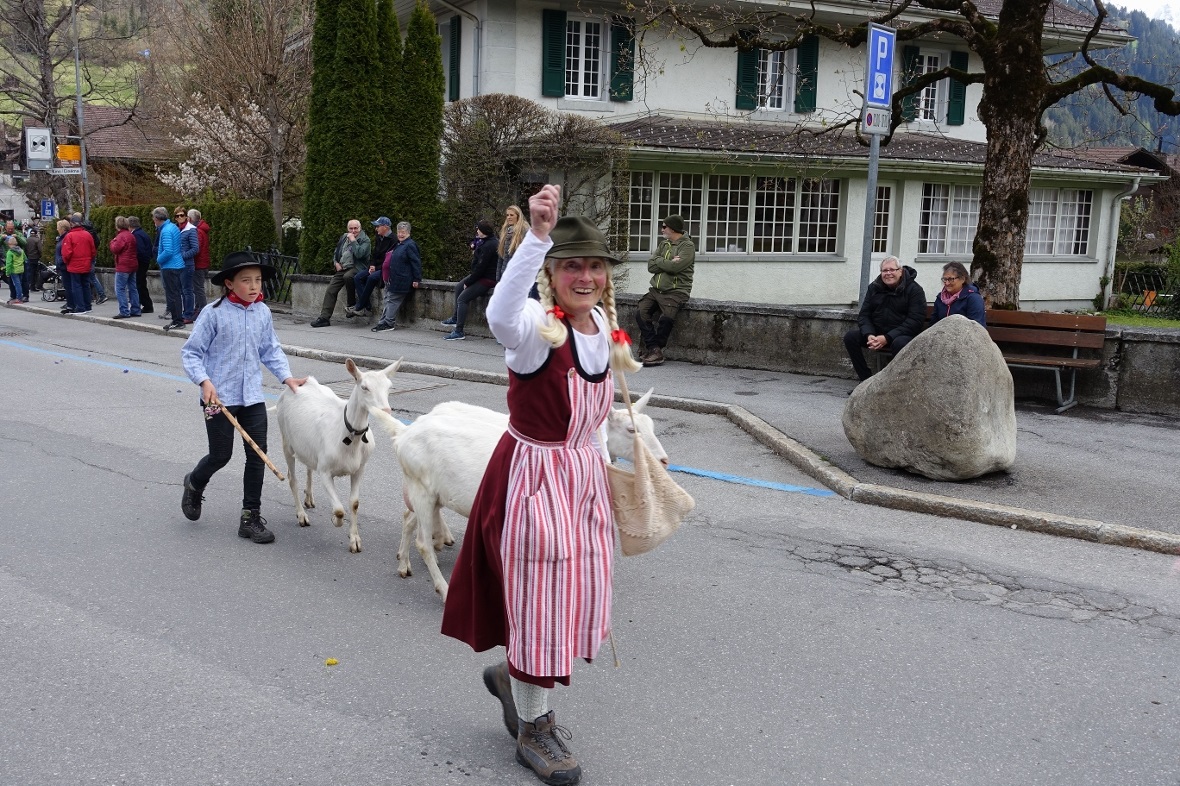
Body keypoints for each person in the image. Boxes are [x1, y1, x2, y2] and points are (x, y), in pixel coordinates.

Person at [441, 184, 641, 786]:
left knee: (572, 596)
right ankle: (535, 725)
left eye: (595, 266)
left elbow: (597, 417)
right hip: (533, 480)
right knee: (539, 606)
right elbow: (498, 313)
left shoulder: (604, 325)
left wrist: (602, 477)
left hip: (581, 478)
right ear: (551, 275)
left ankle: (513, 680)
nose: (585, 276)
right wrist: (537, 236)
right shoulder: (532, 328)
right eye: (571, 266)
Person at [180, 251, 306, 544]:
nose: (253, 286)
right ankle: (195, 483)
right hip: (218, 398)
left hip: (252, 396)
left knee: (257, 454)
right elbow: (191, 353)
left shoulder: (263, 312)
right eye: (246, 280)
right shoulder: (212, 313)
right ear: (229, 284)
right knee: (221, 455)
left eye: (258, 280)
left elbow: (270, 350)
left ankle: (250, 517)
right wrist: (204, 381)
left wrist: (287, 377)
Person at [843, 255, 927, 381]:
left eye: (892, 270)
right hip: (878, 332)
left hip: (902, 335)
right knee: (850, 337)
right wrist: (869, 334)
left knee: (899, 343)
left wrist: (888, 338)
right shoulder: (874, 287)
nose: (888, 273)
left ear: (900, 271)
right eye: (884, 270)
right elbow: (864, 315)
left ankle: (894, 383)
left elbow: (915, 321)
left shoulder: (914, 290)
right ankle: (866, 381)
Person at [635, 214, 695, 367]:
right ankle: (653, 349)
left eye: (664, 227)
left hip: (676, 291)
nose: (661, 230)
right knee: (641, 312)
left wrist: (660, 262)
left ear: (673, 228)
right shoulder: (664, 244)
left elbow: (676, 268)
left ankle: (655, 351)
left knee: (666, 319)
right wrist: (667, 262)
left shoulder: (687, 246)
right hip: (656, 289)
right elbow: (651, 266)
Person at [441, 219, 499, 341]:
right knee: (458, 287)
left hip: (487, 278)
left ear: (484, 231)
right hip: (480, 274)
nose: (477, 231)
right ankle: (455, 318)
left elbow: (481, 267)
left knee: (462, 299)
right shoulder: (485, 241)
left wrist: (469, 282)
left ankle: (459, 330)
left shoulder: (490, 245)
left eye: (478, 229)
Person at [310, 219, 369, 328]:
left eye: (356, 228)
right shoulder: (344, 237)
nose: (353, 230)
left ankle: (351, 306)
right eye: (351, 228)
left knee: (348, 276)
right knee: (330, 290)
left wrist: (353, 241)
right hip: (343, 267)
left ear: (360, 228)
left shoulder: (365, 240)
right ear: (348, 229)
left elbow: (360, 254)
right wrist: (336, 262)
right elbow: (337, 251)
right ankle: (324, 318)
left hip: (357, 267)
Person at [370, 221, 422, 332]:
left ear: (408, 233)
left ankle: (388, 323)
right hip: (393, 279)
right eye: (399, 232)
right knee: (388, 299)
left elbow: (416, 263)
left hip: (402, 279)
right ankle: (383, 322)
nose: (400, 234)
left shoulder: (410, 245)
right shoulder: (399, 244)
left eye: (403, 232)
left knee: (392, 300)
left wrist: (417, 279)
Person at [350, 216, 397, 317]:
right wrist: (372, 265)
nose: (376, 229)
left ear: (385, 227)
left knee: (371, 278)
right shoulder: (379, 237)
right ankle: (367, 306)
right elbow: (375, 254)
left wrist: (377, 267)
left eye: (377, 226)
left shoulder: (393, 239)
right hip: (375, 267)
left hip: (385, 269)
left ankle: (359, 307)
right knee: (358, 277)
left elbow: (389, 259)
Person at [153, 206, 186, 330]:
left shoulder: (165, 230)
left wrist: (158, 259)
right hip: (177, 264)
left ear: (157, 218)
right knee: (176, 293)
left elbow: (168, 251)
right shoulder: (173, 227)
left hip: (170, 265)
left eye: (153, 218)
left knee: (173, 294)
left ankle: (177, 320)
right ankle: (178, 319)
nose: (153, 221)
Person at [929, 261, 986, 328]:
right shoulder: (940, 298)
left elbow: (976, 328)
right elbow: (933, 325)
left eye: (951, 279)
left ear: (963, 279)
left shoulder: (973, 298)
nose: (947, 283)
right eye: (945, 279)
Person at [62, 213, 97, 314]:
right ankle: (88, 306)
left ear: (72, 224)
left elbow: (66, 253)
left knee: (76, 286)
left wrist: (66, 262)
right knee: (85, 284)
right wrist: (90, 260)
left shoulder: (69, 236)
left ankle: (80, 307)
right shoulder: (87, 234)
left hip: (74, 265)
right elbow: (93, 250)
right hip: (86, 263)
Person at [109, 216, 142, 319]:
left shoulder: (120, 237)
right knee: (133, 287)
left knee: (120, 288)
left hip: (123, 265)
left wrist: (112, 242)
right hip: (132, 264)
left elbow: (115, 249)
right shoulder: (131, 235)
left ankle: (124, 311)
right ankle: (136, 309)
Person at [495, 205, 529, 283]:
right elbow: (501, 256)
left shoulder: (524, 231)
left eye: (511, 215)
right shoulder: (505, 231)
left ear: (518, 216)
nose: (509, 217)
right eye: (507, 215)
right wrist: (498, 277)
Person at [177, 206, 199, 323]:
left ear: (186, 216)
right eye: (177, 216)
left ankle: (189, 314)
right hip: (179, 264)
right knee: (182, 290)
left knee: (187, 290)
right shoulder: (178, 229)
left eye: (181, 215)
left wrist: (182, 255)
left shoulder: (191, 229)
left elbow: (195, 248)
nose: (179, 218)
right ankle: (185, 312)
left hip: (188, 264)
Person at [129, 216, 155, 313]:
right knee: (141, 283)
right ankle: (145, 304)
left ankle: (146, 304)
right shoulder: (142, 233)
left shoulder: (137, 235)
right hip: (144, 261)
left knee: (139, 284)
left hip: (141, 262)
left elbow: (140, 250)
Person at [191, 209, 211, 317]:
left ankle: (202, 309)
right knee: (198, 287)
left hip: (198, 264)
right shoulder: (201, 230)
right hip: (203, 263)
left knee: (198, 288)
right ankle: (198, 308)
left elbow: (196, 248)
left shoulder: (197, 231)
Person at [54, 219, 76, 313]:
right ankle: (70, 304)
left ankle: (71, 305)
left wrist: (60, 261)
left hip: (65, 265)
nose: (57, 229)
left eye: (58, 227)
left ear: (62, 228)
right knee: (68, 286)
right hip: (63, 265)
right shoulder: (62, 237)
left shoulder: (65, 237)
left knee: (69, 286)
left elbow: (67, 252)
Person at [5, 235, 26, 304]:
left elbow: (8, 263)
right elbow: (25, 259)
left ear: (9, 244)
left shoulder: (10, 252)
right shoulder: (21, 251)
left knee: (17, 285)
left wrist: (7, 272)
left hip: (14, 270)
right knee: (19, 283)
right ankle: (20, 297)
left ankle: (19, 298)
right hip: (21, 269)